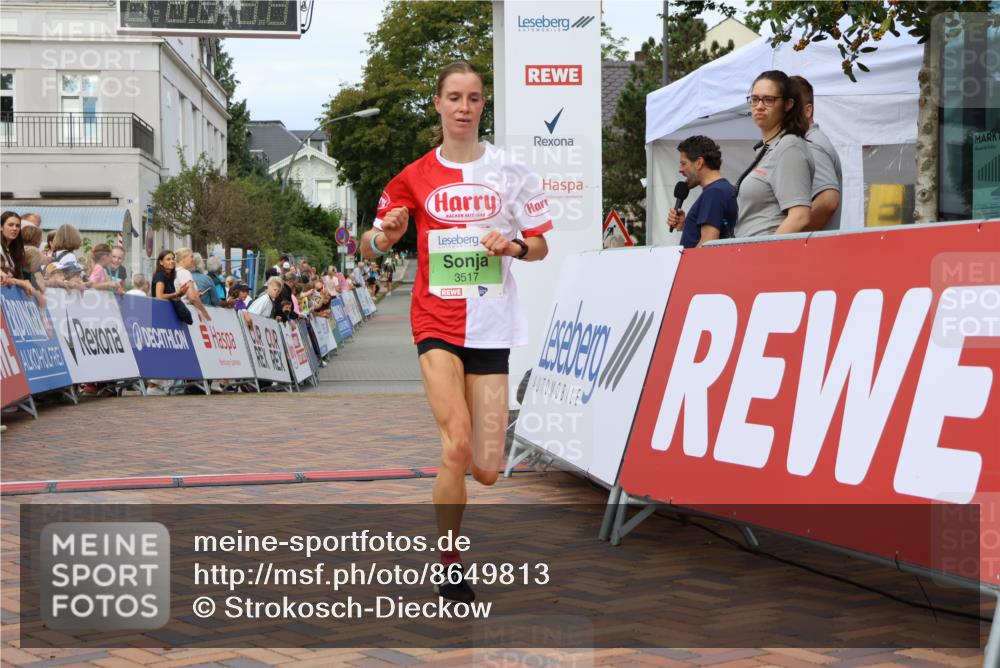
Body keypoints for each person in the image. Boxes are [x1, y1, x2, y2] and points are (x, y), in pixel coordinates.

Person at [360, 60, 551, 604]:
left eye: (473, 98)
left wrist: (513, 246)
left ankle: (462, 486)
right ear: (439, 104)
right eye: (454, 98)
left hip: (490, 327)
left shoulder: (511, 172)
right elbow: (368, 246)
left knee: (486, 468)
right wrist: (385, 236)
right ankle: (449, 562)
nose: (464, 108)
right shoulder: (413, 176)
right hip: (436, 323)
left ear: (482, 104)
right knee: (457, 444)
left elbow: (540, 246)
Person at [734, 70, 815, 238]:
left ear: (788, 104)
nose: (759, 106)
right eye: (754, 99)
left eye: (768, 100)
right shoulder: (772, 146)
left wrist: (766, 250)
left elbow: (800, 216)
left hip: (765, 250)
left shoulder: (789, 147)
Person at [789, 75, 844, 231]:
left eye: (790, 108)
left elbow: (828, 202)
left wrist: (787, 235)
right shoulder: (807, 142)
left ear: (808, 110)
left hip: (808, 245)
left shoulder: (810, 145)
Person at [667, 135, 739, 248]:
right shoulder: (723, 189)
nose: (680, 169)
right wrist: (686, 226)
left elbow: (707, 245)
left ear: (699, 163)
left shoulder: (714, 193)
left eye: (683, 163)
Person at [173, 247, 211, 320]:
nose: (193, 259)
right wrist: (204, 312)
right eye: (191, 256)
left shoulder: (174, 272)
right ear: (183, 258)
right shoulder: (184, 273)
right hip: (186, 310)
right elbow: (192, 297)